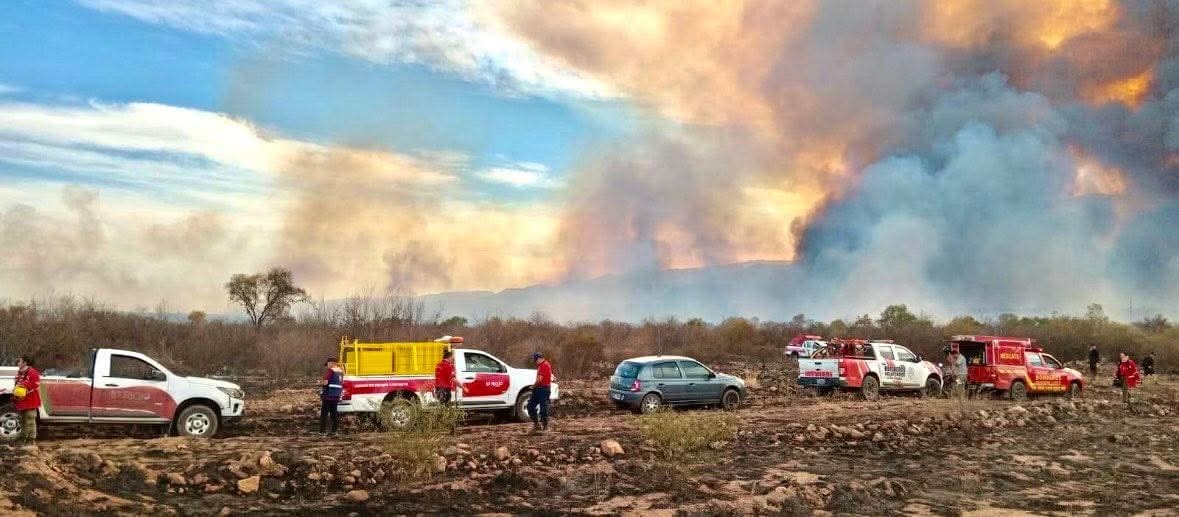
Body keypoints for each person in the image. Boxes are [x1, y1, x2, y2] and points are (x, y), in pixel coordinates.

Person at [13, 355, 42, 443]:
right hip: (22, 401)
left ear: (25, 363)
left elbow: (35, 384)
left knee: (30, 420)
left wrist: (22, 385)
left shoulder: (33, 372)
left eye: (19, 361)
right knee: (23, 421)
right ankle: (23, 439)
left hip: (31, 401)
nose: (18, 363)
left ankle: (31, 440)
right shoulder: (20, 373)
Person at [526, 352, 553, 434]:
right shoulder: (541, 365)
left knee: (543, 408)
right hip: (538, 388)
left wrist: (533, 386)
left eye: (535, 360)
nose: (535, 362)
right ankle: (536, 425)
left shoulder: (545, 365)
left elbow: (540, 379)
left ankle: (545, 427)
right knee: (530, 406)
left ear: (539, 358)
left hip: (543, 389)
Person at [319, 357, 345, 436]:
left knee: (324, 414)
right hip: (336, 395)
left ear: (331, 363)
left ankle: (322, 432)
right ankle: (334, 431)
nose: (327, 366)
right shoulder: (341, 371)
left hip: (328, 395)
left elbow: (325, 382)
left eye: (327, 364)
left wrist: (320, 383)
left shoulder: (331, 371)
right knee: (334, 413)